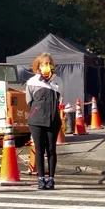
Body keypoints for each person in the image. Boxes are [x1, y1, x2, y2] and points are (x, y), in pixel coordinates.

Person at [25, 52, 63, 190]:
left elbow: (59, 99)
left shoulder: (58, 81)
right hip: (36, 121)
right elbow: (29, 103)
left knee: (51, 149)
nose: (48, 65)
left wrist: (51, 81)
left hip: (53, 120)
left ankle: (51, 179)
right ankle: (41, 179)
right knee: (39, 149)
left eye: (49, 63)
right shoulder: (32, 82)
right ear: (39, 66)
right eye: (45, 63)